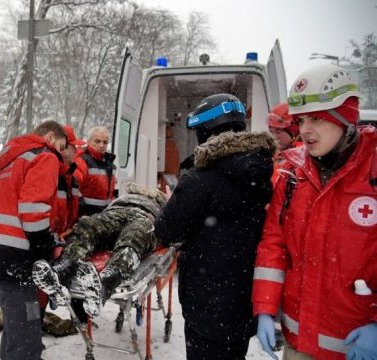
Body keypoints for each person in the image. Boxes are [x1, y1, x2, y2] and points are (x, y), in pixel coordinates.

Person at [253, 64, 377, 360]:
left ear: (345, 119)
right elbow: (274, 245)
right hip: (299, 344)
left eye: (317, 119)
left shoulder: (372, 176)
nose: (305, 130)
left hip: (357, 347)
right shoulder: (291, 175)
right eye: (301, 120)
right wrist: (265, 310)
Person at [154, 93, 276, 360]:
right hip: (243, 302)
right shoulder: (263, 169)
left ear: (206, 131)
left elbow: (166, 230)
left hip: (207, 306)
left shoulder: (201, 178)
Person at [0, 120, 67, 360]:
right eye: (60, 146)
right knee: (27, 336)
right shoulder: (44, 156)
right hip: (17, 257)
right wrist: (43, 249)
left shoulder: (4, 165)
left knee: (14, 329)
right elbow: (32, 210)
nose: (60, 154)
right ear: (49, 137)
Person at [33, 182, 168, 319]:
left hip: (146, 216)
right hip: (116, 211)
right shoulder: (128, 195)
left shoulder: (161, 201)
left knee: (135, 237)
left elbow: (169, 222)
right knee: (88, 225)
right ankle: (63, 268)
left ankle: (108, 280)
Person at [75, 126, 116, 217]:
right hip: (87, 217)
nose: (101, 145)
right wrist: (82, 207)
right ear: (88, 141)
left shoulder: (109, 164)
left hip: (104, 217)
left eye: (105, 142)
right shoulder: (82, 161)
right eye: (97, 141)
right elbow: (73, 185)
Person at [267, 102, 302, 185]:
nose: (274, 137)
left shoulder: (301, 160)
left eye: (278, 132)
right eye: (271, 132)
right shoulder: (277, 156)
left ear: (294, 132)